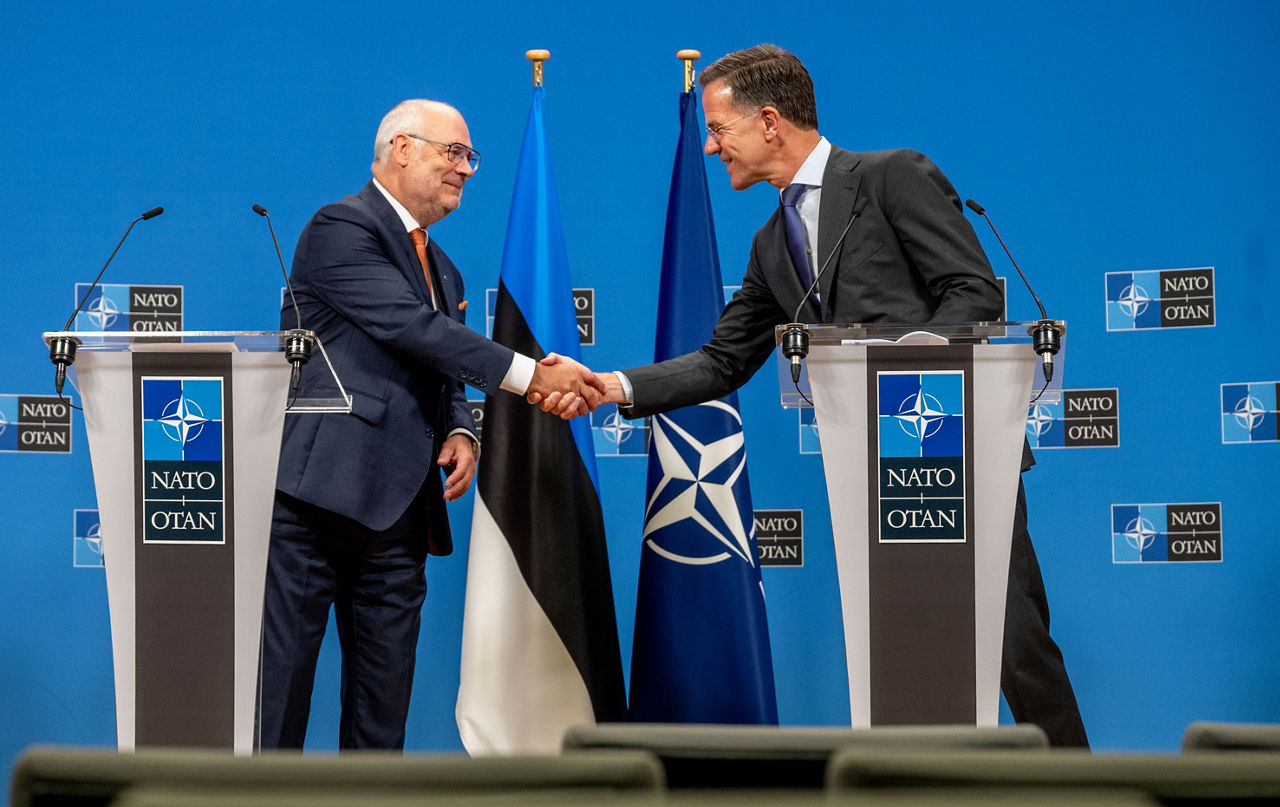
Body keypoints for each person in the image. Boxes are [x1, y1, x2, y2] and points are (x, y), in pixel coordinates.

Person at [537, 45, 1089, 747]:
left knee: (1012, 640)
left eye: (718, 129)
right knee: (904, 655)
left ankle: (1080, 782)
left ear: (770, 122)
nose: (710, 148)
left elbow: (971, 293)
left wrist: (897, 378)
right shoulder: (773, 242)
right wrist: (609, 385)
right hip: (872, 476)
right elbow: (720, 362)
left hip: (950, 449)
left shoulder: (892, 177)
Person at [259, 99, 602, 750]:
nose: (466, 169)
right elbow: (408, 326)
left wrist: (460, 429)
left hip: (400, 517)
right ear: (401, 149)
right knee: (279, 702)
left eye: (471, 157)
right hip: (315, 508)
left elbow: (438, 360)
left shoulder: (442, 267)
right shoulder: (340, 226)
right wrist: (534, 376)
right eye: (454, 153)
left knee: (381, 717)